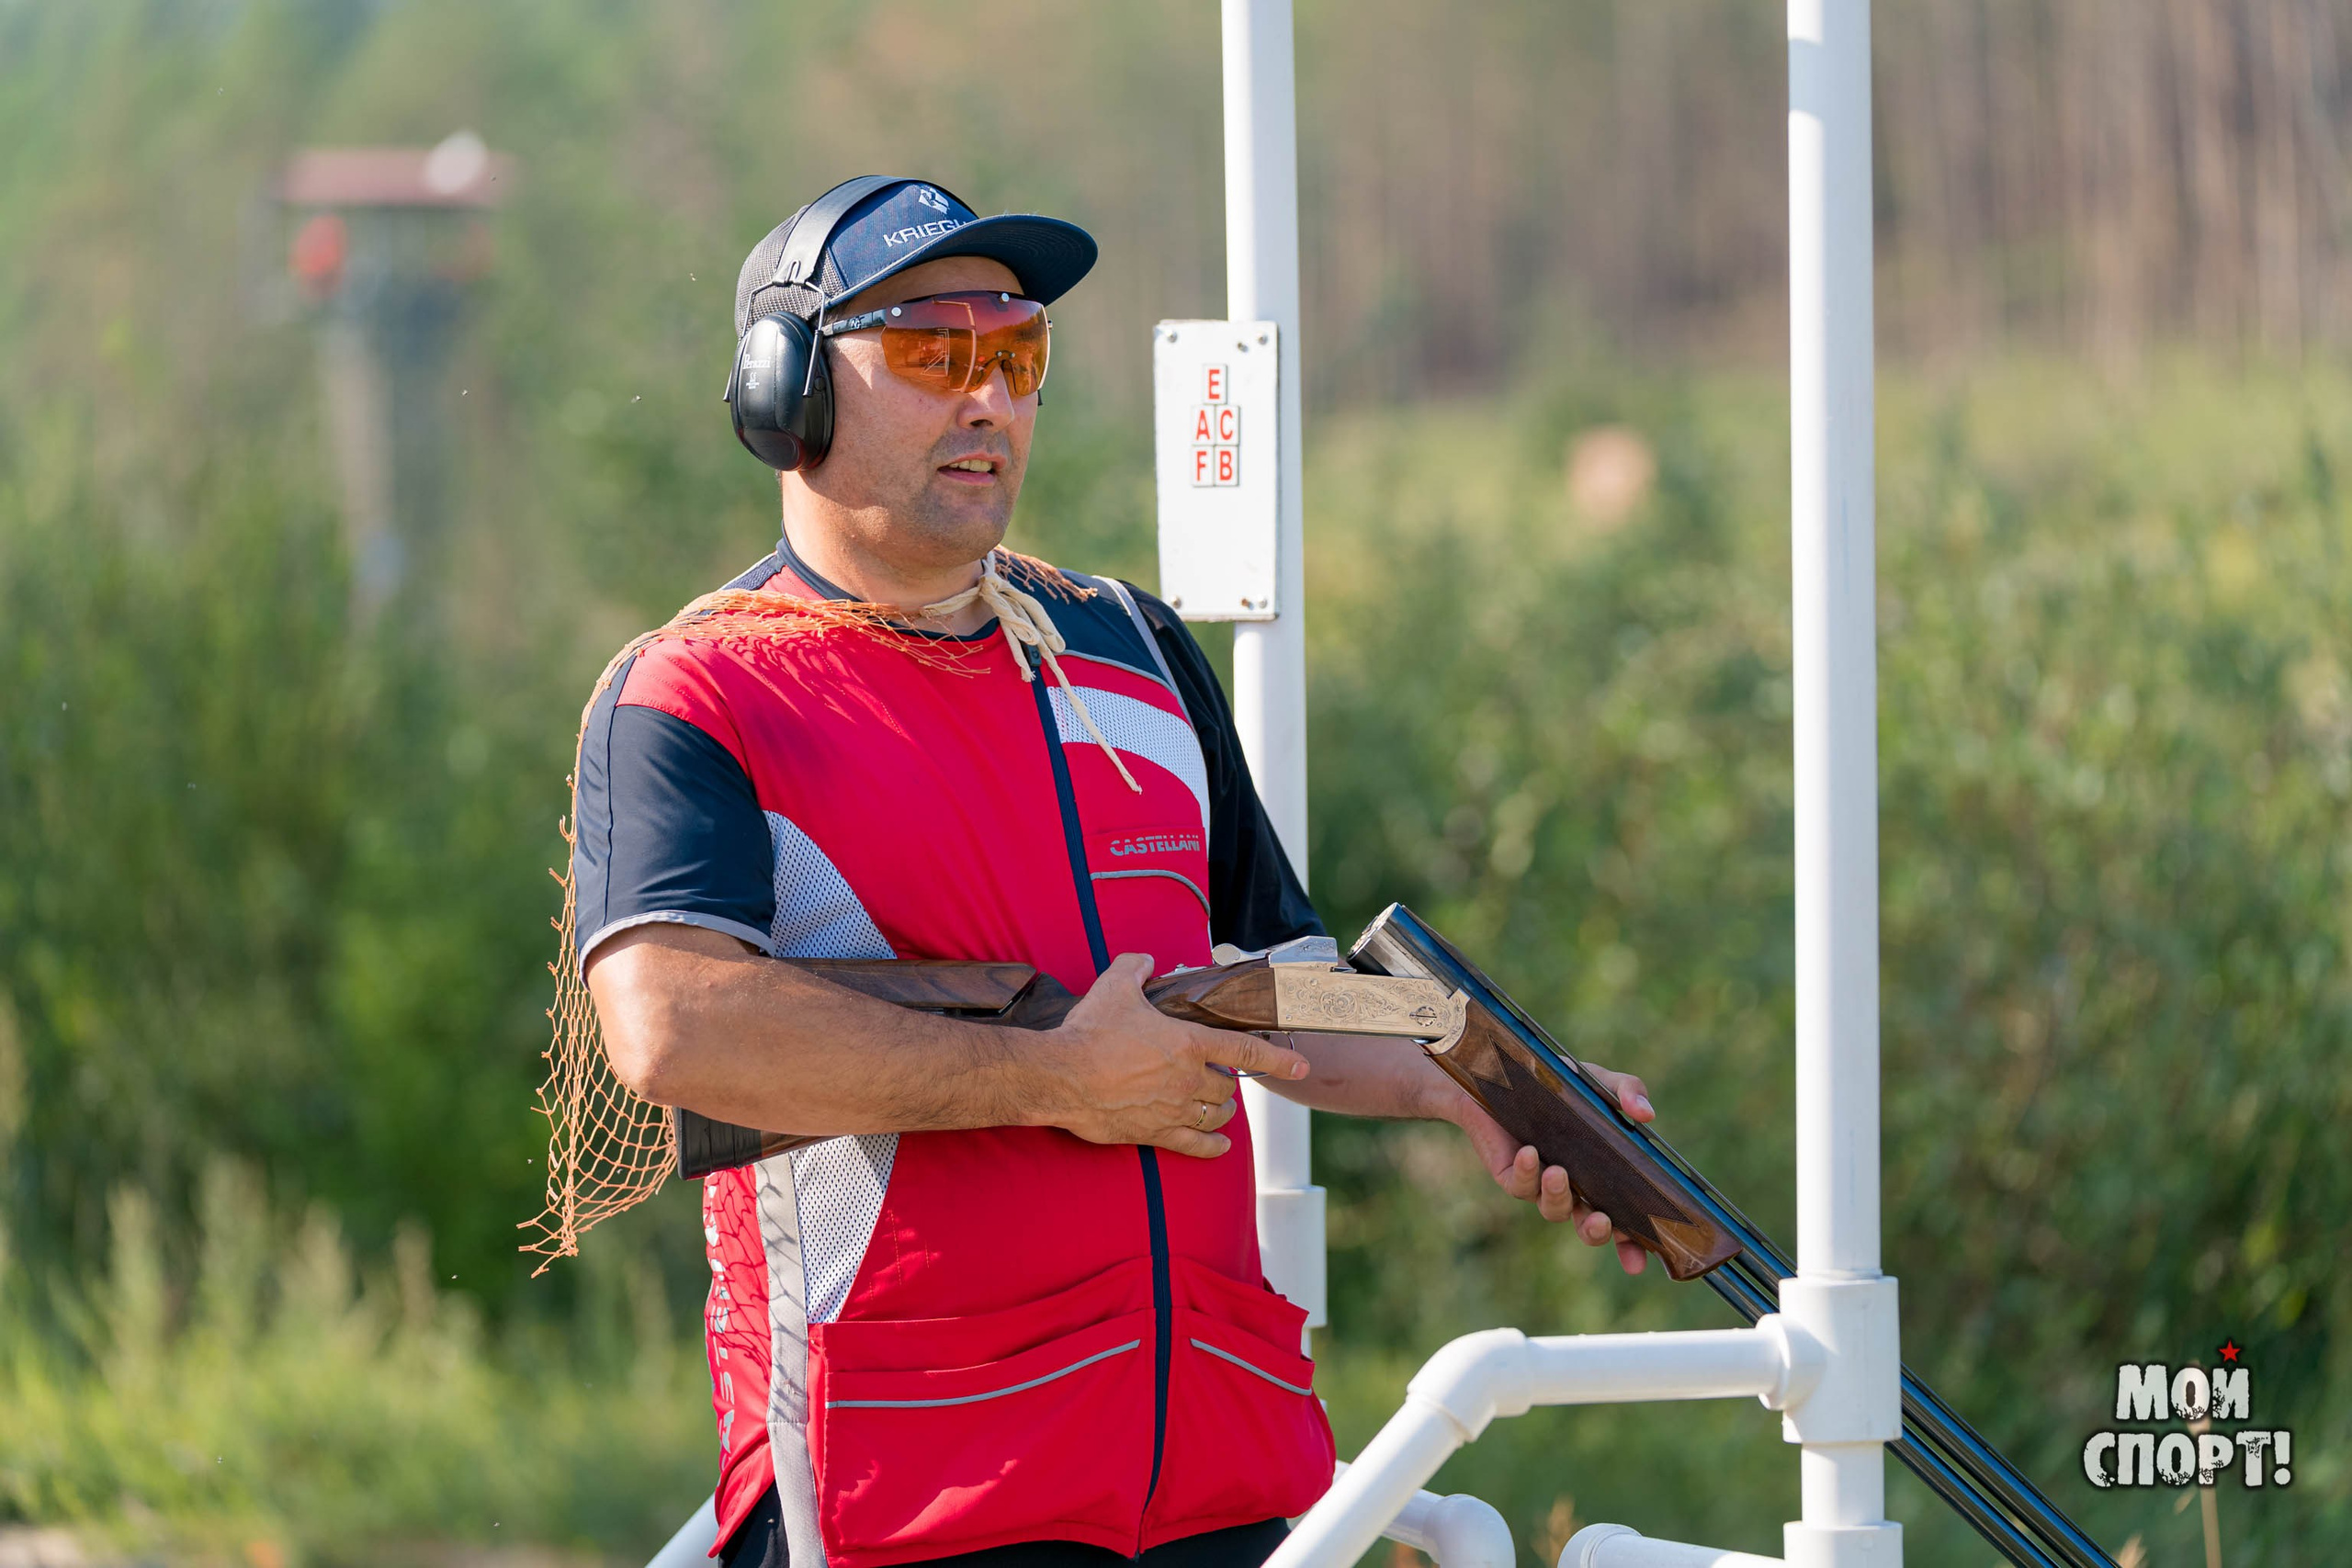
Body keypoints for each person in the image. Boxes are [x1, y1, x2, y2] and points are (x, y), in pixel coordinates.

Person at [575, 177, 1658, 1568]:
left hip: (1221, 1482)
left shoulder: (1129, 650)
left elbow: (1277, 990)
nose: (990, 401)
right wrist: (1056, 1081)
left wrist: (1494, 1085)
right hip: (913, 1501)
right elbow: (674, 1025)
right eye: (932, 354)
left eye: (1016, 355)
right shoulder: (703, 690)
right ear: (786, 394)